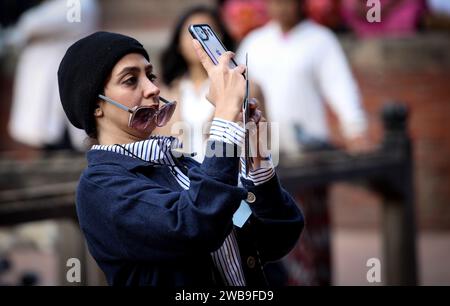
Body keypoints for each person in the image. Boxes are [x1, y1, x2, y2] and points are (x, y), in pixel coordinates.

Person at [57, 31, 304, 286]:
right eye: (131, 80)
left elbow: (279, 236)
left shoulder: (181, 165)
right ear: (95, 105)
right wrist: (225, 117)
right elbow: (195, 225)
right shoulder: (100, 186)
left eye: (150, 76)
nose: (153, 88)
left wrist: (258, 161)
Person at [236, 0, 369, 285]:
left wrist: (355, 128)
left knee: (308, 232)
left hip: (307, 156)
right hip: (264, 158)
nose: (280, 7)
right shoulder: (254, 42)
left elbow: (340, 86)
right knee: (268, 232)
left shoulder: (320, 40)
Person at [155, 5, 266, 163]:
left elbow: (262, 146)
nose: (198, 41)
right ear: (178, 43)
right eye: (191, 34)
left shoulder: (244, 86)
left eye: (207, 34)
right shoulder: (165, 92)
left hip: (232, 181)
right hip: (183, 183)